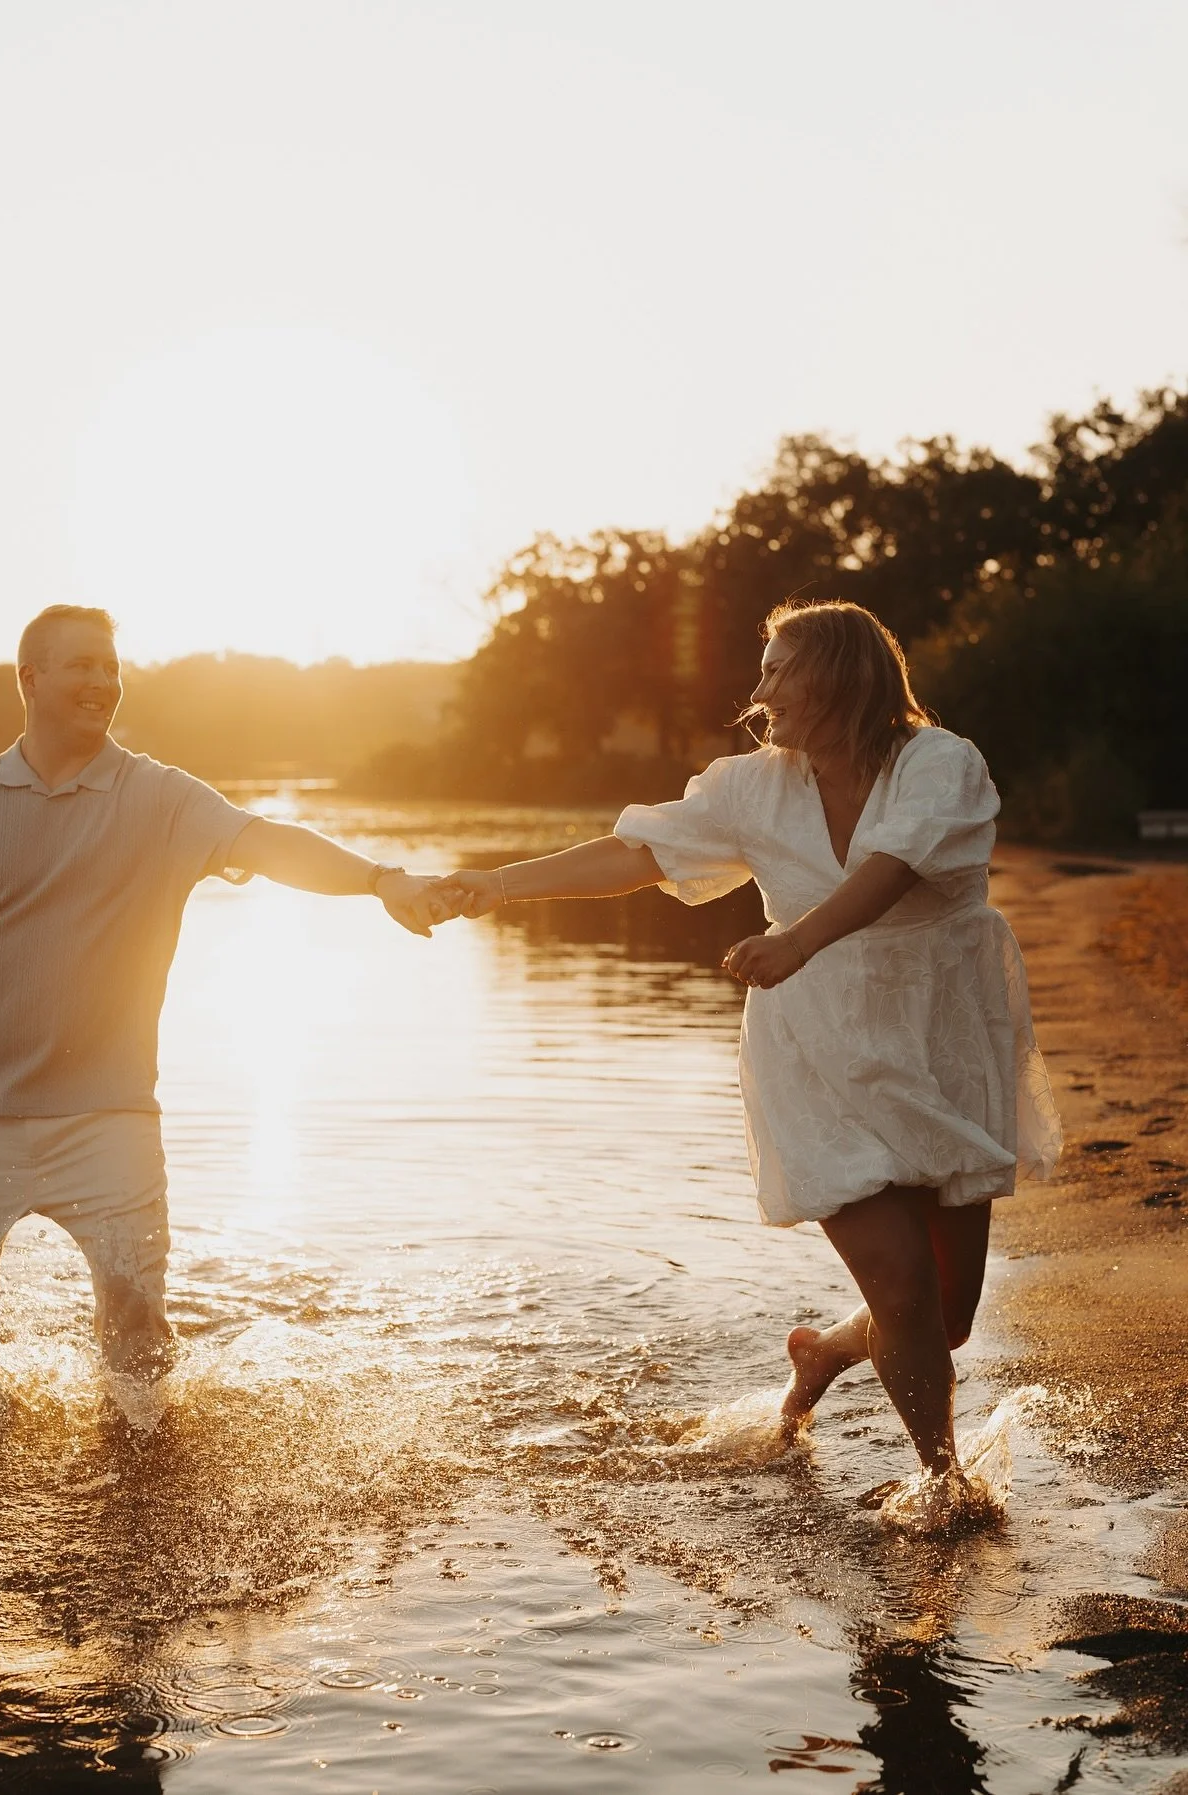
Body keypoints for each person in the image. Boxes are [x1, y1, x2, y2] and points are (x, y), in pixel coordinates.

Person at [432, 600, 1060, 1483]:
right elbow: (636, 854)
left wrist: (799, 938)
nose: (759, 691)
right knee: (905, 1288)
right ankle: (944, 1483)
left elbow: (889, 870)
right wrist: (495, 883)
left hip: (938, 1039)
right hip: (816, 1051)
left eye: (777, 669)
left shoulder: (939, 763)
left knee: (944, 1314)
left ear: (838, 675)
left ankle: (828, 1351)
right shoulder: (751, 785)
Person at [0, 605, 446, 1378]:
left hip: (108, 1114)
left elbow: (268, 842)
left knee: (139, 1336)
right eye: (81, 664)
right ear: (30, 678)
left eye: (110, 667)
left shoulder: (164, 799)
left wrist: (381, 879)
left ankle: (138, 1455)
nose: (102, 682)